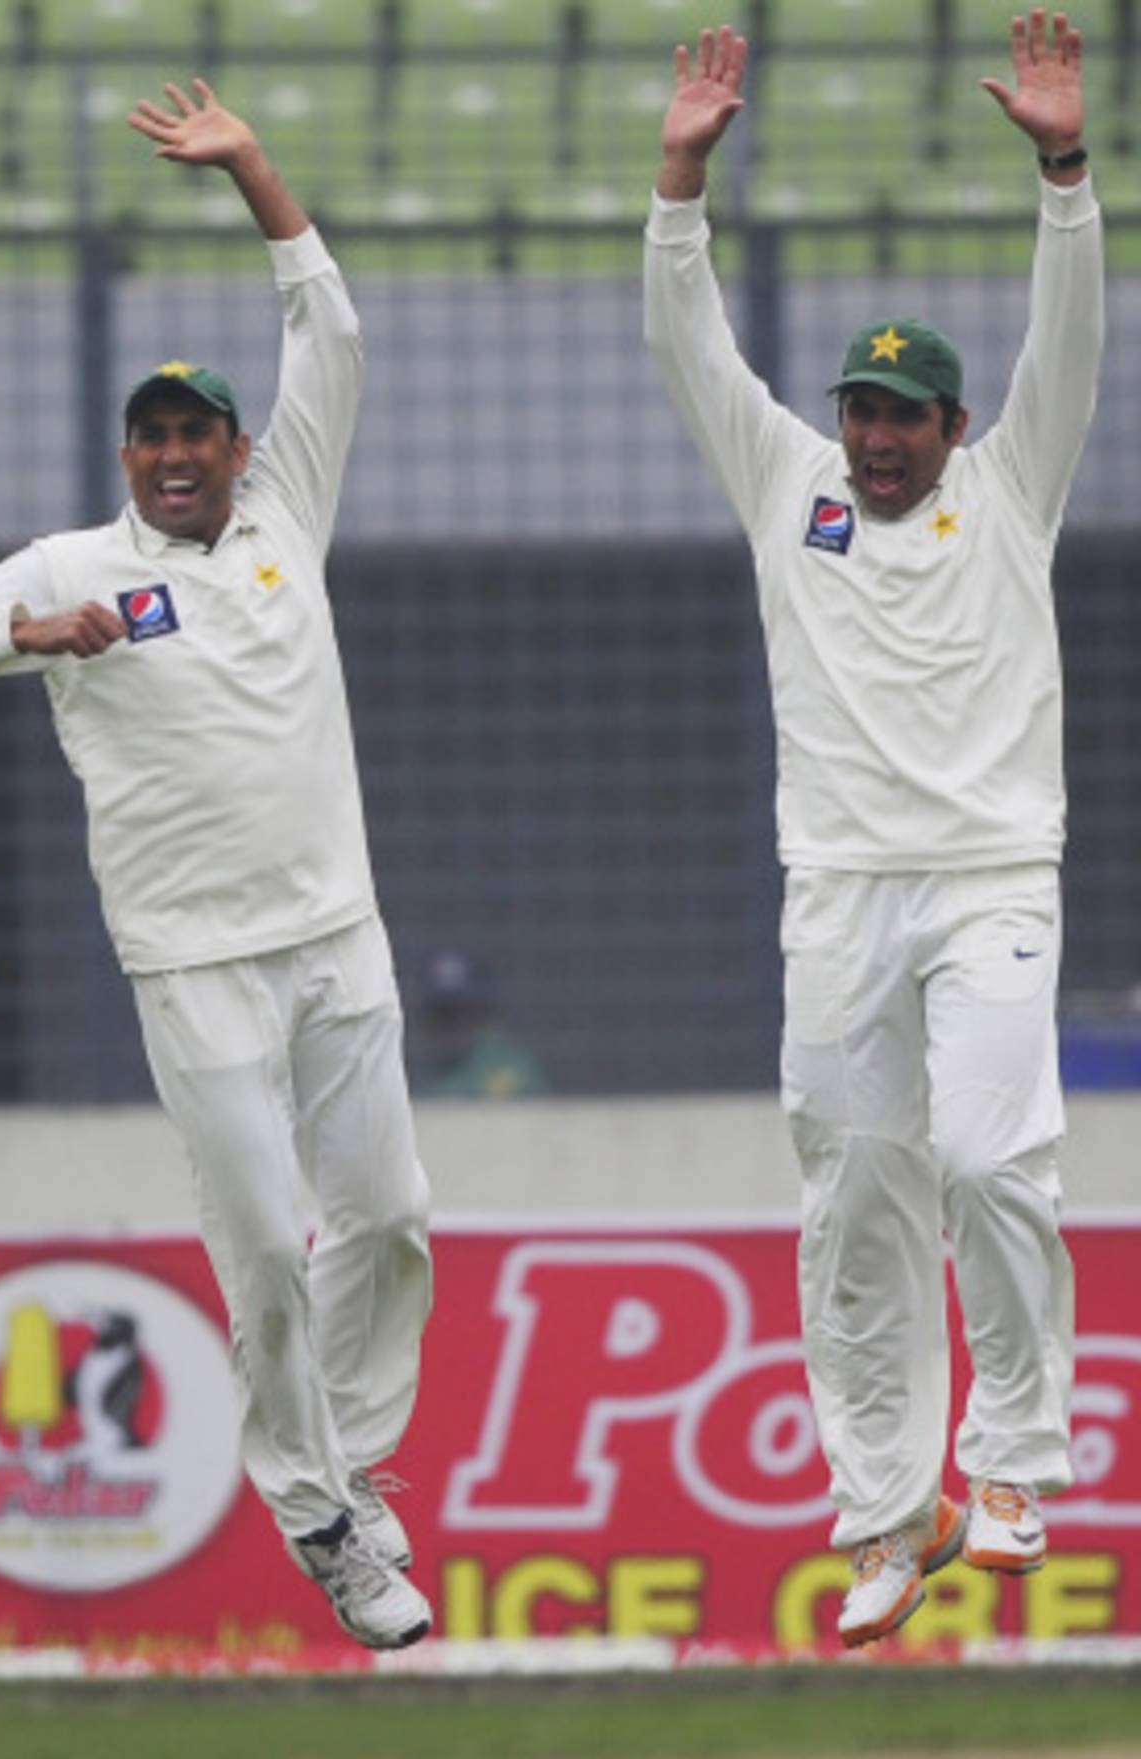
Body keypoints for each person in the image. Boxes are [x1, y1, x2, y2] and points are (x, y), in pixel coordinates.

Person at [0, 78, 434, 1652]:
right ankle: (316, 1509)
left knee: (388, 1215)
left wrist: (254, 166)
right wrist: (20, 635)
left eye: (200, 432)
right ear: (127, 456)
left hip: (337, 931)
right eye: (156, 437)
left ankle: (361, 1466)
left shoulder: (283, 515)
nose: (179, 456)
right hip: (192, 962)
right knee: (264, 1241)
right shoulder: (74, 566)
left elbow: (334, 336)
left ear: (236, 446)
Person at [645, 11, 1102, 1648]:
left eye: (908, 412)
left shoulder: (1016, 485)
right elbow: (691, 344)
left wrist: (1064, 170)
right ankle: (886, 1510)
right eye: (864, 407)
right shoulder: (789, 485)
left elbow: (1072, 337)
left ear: (955, 426)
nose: (880, 431)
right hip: (835, 888)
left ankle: (1018, 1459)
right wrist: (680, 184)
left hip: (990, 877)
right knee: (851, 1198)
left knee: (991, 1159)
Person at [412, 948, 550, 1099]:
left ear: (484, 1014)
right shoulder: (419, 1073)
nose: (454, 1024)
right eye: (442, 1015)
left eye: (463, 1013)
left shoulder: (510, 1067)